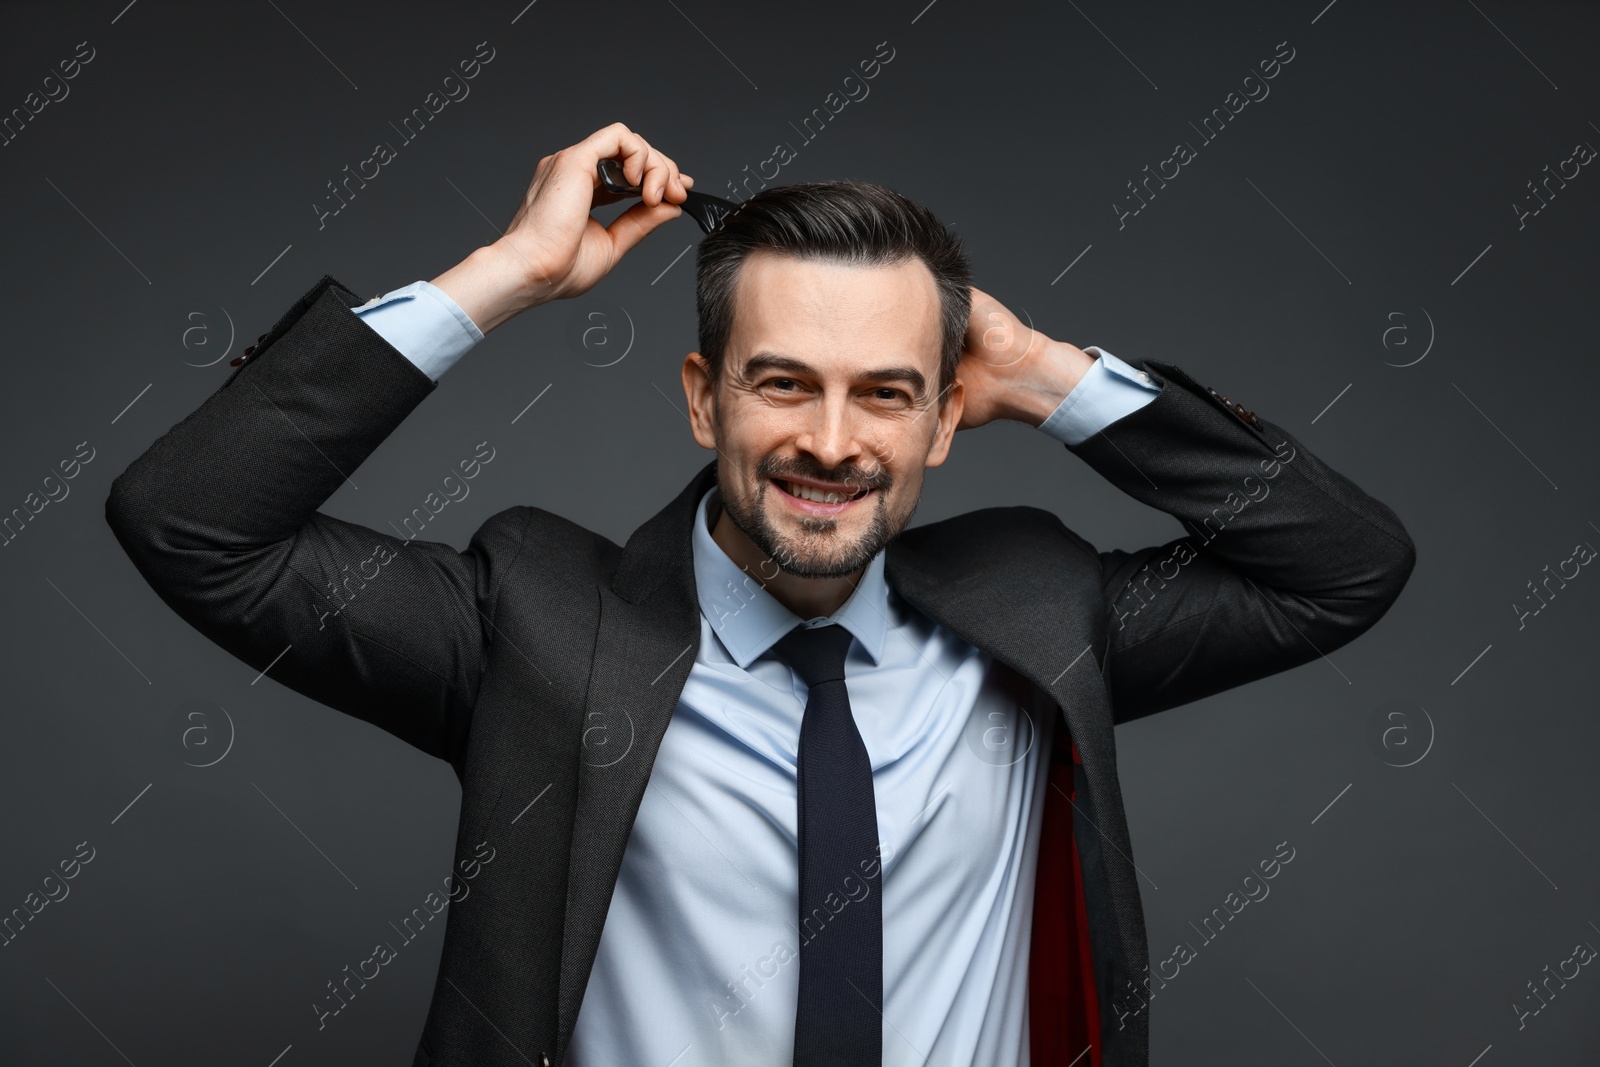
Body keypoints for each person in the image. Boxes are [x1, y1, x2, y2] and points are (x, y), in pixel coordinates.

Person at [105, 122, 1416, 1067]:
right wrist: (508, 274)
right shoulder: (537, 625)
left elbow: (1342, 564)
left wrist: (1052, 372)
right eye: (783, 381)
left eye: (888, 392)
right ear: (702, 398)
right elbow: (193, 522)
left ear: (947, 419)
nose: (833, 441)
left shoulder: (1040, 611)